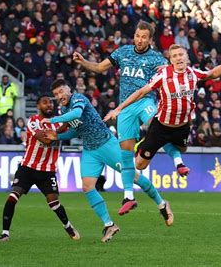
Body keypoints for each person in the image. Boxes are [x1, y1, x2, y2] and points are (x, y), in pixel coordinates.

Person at [73, 21, 186, 215]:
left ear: (150, 39)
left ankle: (179, 162)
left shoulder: (156, 59)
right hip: (124, 108)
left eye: (144, 37)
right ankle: (128, 197)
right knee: (126, 154)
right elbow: (100, 68)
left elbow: (171, 74)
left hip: (145, 102)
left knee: (156, 126)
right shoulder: (122, 52)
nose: (139, 40)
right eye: (137, 35)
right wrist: (83, 62)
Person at [42, 80, 173, 242]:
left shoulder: (78, 99)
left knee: (134, 177)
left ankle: (162, 204)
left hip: (107, 144)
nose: (59, 96)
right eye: (55, 94)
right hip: (90, 150)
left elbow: (76, 115)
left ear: (69, 89)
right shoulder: (63, 109)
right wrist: (58, 137)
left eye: (61, 91)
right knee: (87, 186)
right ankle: (109, 224)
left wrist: (53, 121)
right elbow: (77, 131)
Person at [104, 44, 221, 171]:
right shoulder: (163, 75)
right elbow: (141, 92)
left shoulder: (193, 73)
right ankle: (143, 145)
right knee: (140, 165)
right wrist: (119, 108)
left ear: (187, 57)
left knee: (183, 149)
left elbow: (211, 74)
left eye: (181, 54)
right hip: (161, 127)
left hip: (182, 126)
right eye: (174, 56)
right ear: (171, 60)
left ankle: (172, 152)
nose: (178, 58)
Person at [0, 95, 79, 242]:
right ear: (38, 106)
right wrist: (65, 125)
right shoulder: (33, 121)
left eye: (51, 103)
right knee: (13, 196)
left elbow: (67, 130)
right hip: (28, 167)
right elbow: (46, 140)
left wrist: (66, 123)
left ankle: (68, 227)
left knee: (54, 203)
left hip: (47, 170)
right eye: (45, 102)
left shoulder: (58, 121)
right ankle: (5, 233)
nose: (49, 105)